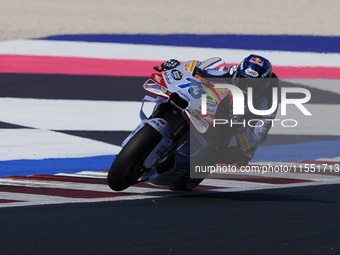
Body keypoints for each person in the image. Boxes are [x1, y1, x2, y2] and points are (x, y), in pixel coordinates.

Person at [158, 54, 280, 166]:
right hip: (218, 104)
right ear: (237, 73)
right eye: (242, 80)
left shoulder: (269, 101)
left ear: (264, 85)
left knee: (245, 155)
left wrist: (239, 124)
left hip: (244, 118)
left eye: (254, 85)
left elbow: (251, 144)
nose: (246, 87)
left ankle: (207, 161)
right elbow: (200, 72)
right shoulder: (231, 71)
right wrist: (177, 68)